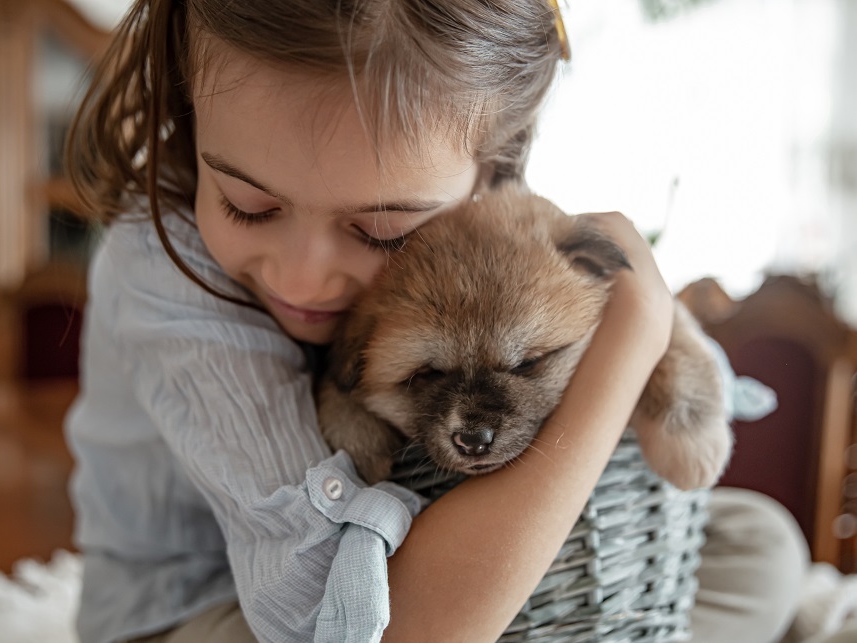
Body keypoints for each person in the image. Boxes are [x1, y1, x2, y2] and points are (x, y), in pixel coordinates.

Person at [63, 1, 809, 641]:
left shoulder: (496, 236)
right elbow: (345, 622)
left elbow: (665, 393)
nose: (305, 275)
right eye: (247, 205)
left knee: (761, 546)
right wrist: (635, 335)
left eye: (385, 230)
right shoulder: (159, 260)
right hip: (204, 612)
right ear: (191, 123)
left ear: (493, 171)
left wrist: (649, 326)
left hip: (426, 547)